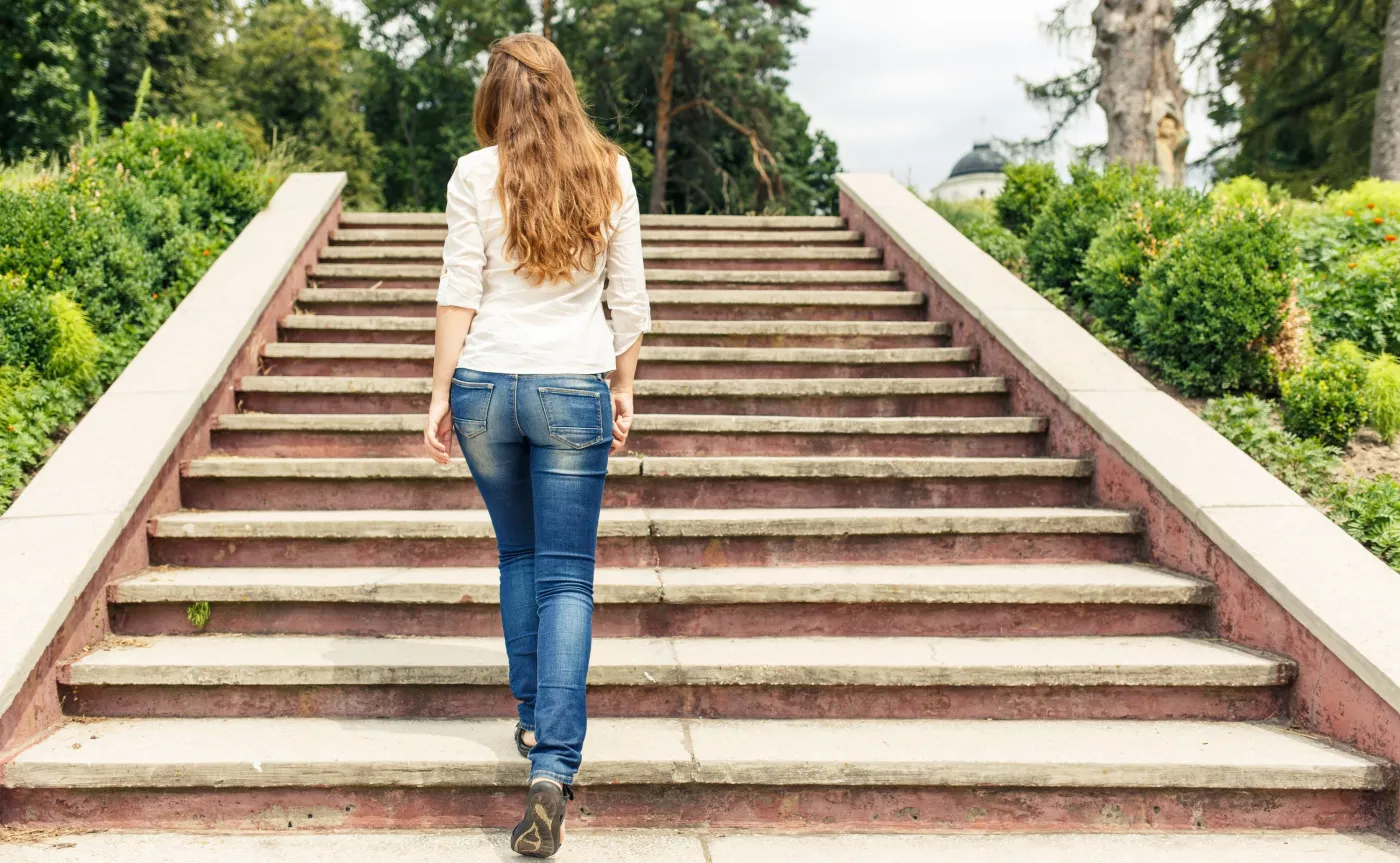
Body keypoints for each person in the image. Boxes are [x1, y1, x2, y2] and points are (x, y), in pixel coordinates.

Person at [422, 32, 650, 859]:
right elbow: (630, 300)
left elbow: (458, 290)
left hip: (486, 386)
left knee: (517, 559)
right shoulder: (609, 170)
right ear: (564, 90)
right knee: (567, 577)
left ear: (495, 93)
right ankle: (552, 767)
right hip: (569, 385)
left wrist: (438, 392)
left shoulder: (473, 172)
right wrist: (622, 386)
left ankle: (530, 715)